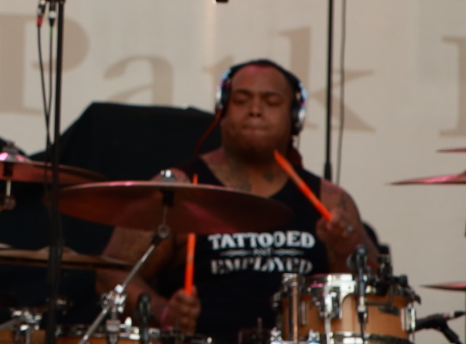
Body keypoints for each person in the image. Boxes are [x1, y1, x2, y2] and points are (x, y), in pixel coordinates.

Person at [97, 60, 379, 344]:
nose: (255, 110)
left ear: (295, 117)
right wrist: (163, 312)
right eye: (241, 100)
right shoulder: (178, 188)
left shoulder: (328, 199)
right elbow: (111, 273)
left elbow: (374, 291)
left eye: (271, 102)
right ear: (223, 109)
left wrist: (346, 248)